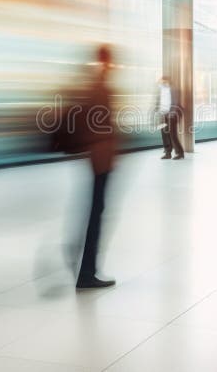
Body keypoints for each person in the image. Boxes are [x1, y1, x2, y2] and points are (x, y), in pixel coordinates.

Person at [77, 45, 118, 288]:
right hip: (101, 159)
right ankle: (87, 272)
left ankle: (87, 270)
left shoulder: (94, 83)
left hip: (97, 158)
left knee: (95, 211)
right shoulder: (100, 87)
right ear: (107, 62)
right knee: (96, 213)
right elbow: (102, 125)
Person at [156, 76, 184, 160]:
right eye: (162, 82)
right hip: (163, 114)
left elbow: (175, 102)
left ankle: (180, 153)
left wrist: (171, 114)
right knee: (164, 133)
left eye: (164, 82)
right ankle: (168, 153)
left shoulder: (174, 89)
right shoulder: (160, 89)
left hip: (172, 114)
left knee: (172, 134)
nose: (162, 83)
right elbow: (158, 101)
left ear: (168, 81)